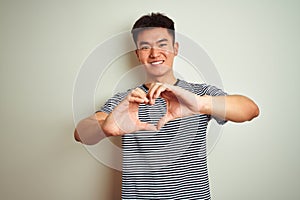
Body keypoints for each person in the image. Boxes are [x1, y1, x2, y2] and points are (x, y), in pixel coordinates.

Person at [74, 13, 259, 200]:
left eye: (162, 45)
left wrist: (201, 104)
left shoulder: (200, 93)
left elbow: (250, 110)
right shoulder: (125, 101)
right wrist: (104, 128)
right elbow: (80, 133)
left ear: (175, 48)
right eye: (145, 47)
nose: (155, 54)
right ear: (138, 54)